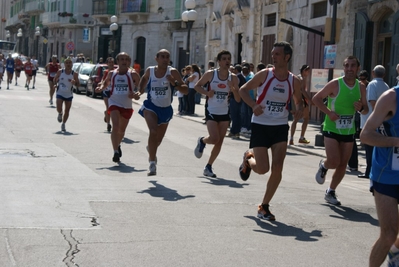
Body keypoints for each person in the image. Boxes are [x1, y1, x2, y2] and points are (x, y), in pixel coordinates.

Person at [238, 41, 303, 221]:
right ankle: (248, 158)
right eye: (273, 54)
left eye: (277, 54)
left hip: (280, 126)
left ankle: (264, 206)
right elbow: (243, 90)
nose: (273, 57)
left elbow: (299, 101)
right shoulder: (265, 75)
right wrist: (253, 105)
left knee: (278, 167)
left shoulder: (294, 80)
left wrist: (298, 110)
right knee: (262, 169)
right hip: (260, 125)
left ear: (287, 57)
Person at [312, 56, 368, 205]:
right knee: (334, 161)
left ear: (357, 68)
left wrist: (361, 108)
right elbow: (316, 99)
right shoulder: (335, 84)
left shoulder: (361, 87)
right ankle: (324, 166)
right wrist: (329, 112)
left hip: (349, 130)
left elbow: (366, 109)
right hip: (331, 127)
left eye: (352, 65)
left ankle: (330, 191)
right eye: (347, 66)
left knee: (343, 164)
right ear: (343, 68)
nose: (349, 68)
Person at [359, 86, 399, 267]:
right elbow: (366, 135)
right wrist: (395, 141)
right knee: (389, 234)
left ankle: (395, 253)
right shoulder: (390, 98)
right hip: (387, 174)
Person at [138, 49, 188, 175]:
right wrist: (140, 91)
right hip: (151, 106)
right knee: (153, 131)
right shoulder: (150, 70)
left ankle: (151, 149)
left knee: (158, 141)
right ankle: (152, 163)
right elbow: (144, 79)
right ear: (157, 58)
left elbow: (186, 90)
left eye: (167, 57)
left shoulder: (173, 72)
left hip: (166, 109)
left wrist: (174, 82)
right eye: (162, 57)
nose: (165, 59)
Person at [193, 50, 240, 177]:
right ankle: (202, 141)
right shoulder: (211, 74)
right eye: (224, 59)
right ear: (219, 61)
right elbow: (197, 86)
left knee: (219, 142)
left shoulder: (233, 78)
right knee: (214, 138)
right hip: (211, 110)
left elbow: (238, 99)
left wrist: (233, 88)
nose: (227, 61)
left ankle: (208, 167)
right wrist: (207, 94)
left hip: (224, 111)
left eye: (229, 59)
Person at [96, 52, 141, 163]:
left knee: (121, 131)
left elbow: (140, 89)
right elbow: (106, 84)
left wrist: (136, 94)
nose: (124, 61)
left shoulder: (133, 74)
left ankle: (118, 144)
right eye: (121, 59)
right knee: (115, 127)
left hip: (127, 105)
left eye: (126, 59)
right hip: (114, 101)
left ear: (129, 61)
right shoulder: (112, 73)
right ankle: (115, 151)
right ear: (118, 62)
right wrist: (101, 88)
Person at [358, 65, 389, 179]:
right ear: (384, 75)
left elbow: (372, 102)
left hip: (370, 120)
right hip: (382, 121)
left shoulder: (372, 84)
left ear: (372, 73)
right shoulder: (386, 86)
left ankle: (368, 171)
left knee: (369, 148)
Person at [348, 70, 369, 172]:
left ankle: (353, 164)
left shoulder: (364, 87)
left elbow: (366, 107)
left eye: (364, 79)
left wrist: (360, 108)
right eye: (360, 79)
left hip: (358, 116)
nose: (362, 81)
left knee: (352, 142)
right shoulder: (353, 86)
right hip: (352, 117)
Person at [52, 57, 79, 132]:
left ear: (72, 64)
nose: (68, 64)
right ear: (64, 64)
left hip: (69, 94)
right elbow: (55, 79)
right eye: (67, 63)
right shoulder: (60, 72)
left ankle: (63, 123)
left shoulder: (74, 74)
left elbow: (78, 84)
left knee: (67, 110)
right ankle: (60, 113)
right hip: (60, 92)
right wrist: (55, 84)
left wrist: (75, 83)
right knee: (59, 107)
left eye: (69, 63)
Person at [289, 65, 313, 145]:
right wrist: (310, 100)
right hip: (302, 101)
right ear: (304, 71)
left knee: (295, 119)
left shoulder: (296, 78)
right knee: (306, 118)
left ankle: (291, 138)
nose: (308, 73)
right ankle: (301, 137)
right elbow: (303, 91)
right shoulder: (302, 79)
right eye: (307, 71)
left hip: (296, 100)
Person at [226, 64, 246, 139]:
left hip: (235, 97)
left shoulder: (236, 77)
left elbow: (235, 87)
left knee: (235, 115)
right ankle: (236, 131)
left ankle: (234, 131)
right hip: (240, 97)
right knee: (237, 115)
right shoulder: (242, 77)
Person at [98, 57, 115, 132]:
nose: (111, 64)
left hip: (114, 92)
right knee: (108, 108)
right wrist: (101, 84)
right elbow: (103, 80)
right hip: (106, 91)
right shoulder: (106, 72)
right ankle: (108, 124)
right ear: (107, 64)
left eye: (112, 62)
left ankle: (106, 114)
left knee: (113, 108)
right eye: (110, 63)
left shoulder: (116, 72)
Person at [241, 63, 255, 135]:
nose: (244, 71)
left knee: (249, 113)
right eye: (243, 69)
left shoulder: (251, 76)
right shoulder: (243, 75)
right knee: (244, 113)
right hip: (244, 97)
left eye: (246, 69)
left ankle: (248, 127)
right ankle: (245, 126)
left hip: (250, 97)